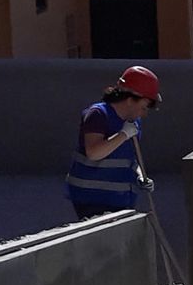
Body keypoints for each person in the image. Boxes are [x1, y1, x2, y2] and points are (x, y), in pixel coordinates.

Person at [65, 66, 162, 220]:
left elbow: (130, 158)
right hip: (92, 199)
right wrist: (123, 135)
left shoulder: (132, 123)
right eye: (143, 107)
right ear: (130, 100)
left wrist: (140, 177)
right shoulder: (98, 115)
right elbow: (94, 153)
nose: (144, 114)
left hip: (121, 198)